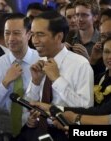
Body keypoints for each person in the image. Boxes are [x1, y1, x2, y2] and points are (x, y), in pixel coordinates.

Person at [24, 10, 94, 141]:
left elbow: (86, 109)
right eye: (32, 35)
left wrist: (57, 80)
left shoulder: (80, 64)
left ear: (59, 37)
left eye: (40, 35)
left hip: (66, 133)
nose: (35, 41)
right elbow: (30, 104)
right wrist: (35, 82)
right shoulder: (41, 63)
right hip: (39, 131)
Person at [0, 13, 40, 139]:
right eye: (7, 33)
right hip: (4, 133)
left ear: (29, 34)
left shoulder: (41, 61)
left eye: (16, 33)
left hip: (36, 131)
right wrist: (5, 83)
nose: (11, 38)